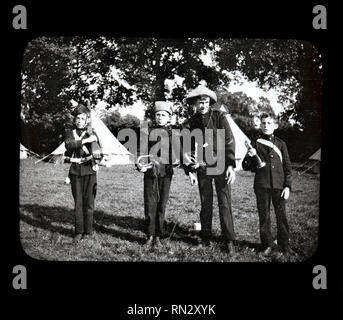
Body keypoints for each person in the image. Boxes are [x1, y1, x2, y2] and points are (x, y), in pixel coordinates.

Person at [183, 85, 236, 254]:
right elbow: (187, 147)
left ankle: (228, 240)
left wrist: (230, 165)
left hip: (220, 166)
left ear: (210, 103)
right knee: (206, 203)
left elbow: (229, 140)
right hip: (202, 168)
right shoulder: (191, 122)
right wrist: (189, 169)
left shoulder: (219, 116)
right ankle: (205, 237)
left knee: (224, 203)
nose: (203, 105)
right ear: (195, 104)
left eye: (205, 102)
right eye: (199, 102)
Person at [242, 113, 293, 256]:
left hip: (279, 186)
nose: (265, 126)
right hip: (261, 185)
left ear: (275, 126)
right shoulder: (255, 142)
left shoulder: (281, 144)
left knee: (281, 215)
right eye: (263, 123)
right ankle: (267, 244)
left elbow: (288, 167)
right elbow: (246, 166)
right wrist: (249, 156)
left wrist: (287, 186)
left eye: (269, 123)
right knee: (264, 216)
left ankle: (284, 244)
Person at [136, 101, 175, 249]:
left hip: (166, 172)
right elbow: (141, 150)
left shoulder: (173, 133)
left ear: (169, 117)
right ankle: (149, 235)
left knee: (161, 204)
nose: (160, 117)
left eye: (163, 115)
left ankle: (159, 235)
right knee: (150, 204)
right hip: (150, 172)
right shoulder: (147, 130)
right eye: (157, 115)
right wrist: (141, 165)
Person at [65, 103, 102, 243]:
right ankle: (78, 231)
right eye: (77, 118)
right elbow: (69, 145)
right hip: (75, 171)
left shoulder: (93, 133)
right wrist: (86, 140)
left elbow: (99, 152)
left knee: (89, 203)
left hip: (90, 171)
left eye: (82, 118)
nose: (79, 121)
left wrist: (98, 156)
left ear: (87, 119)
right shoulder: (70, 133)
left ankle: (88, 231)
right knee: (78, 203)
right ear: (74, 120)